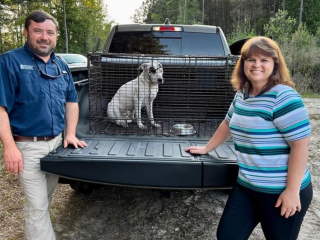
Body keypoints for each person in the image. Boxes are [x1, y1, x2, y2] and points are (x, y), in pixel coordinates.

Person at [185, 36, 313, 240]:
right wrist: (206, 149)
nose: (256, 65)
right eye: (251, 59)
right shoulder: (242, 94)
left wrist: (291, 191)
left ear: (275, 64)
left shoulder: (284, 97)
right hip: (246, 187)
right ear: (242, 63)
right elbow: (227, 124)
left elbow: (301, 145)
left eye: (264, 60)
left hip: (280, 192)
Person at [0, 10, 87, 240]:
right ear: (26, 32)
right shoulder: (10, 61)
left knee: (42, 203)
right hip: (28, 147)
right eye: (38, 31)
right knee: (38, 207)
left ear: (56, 35)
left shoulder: (61, 65)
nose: (44, 37)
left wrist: (69, 133)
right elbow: (1, 108)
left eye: (49, 32)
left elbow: (71, 101)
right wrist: (9, 147)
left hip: (56, 146)